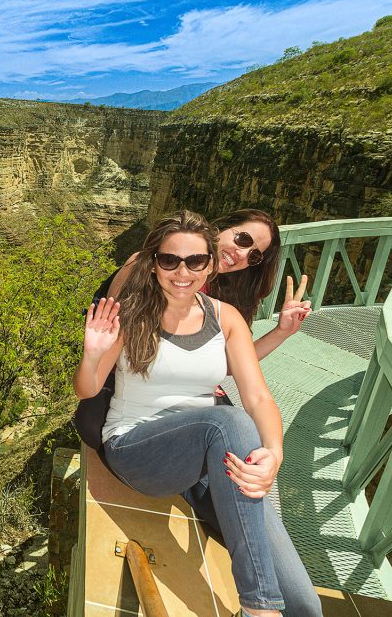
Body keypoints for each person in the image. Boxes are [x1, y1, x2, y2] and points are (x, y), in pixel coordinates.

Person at [73, 210, 322, 617]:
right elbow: (88, 389)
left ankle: (271, 602)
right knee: (227, 420)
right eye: (170, 261)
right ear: (155, 262)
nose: (182, 270)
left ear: (208, 265)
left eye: (195, 261)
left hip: (203, 453)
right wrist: (92, 355)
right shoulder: (134, 310)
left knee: (303, 605)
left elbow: (257, 394)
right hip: (140, 445)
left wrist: (274, 453)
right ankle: (258, 606)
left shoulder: (227, 318)